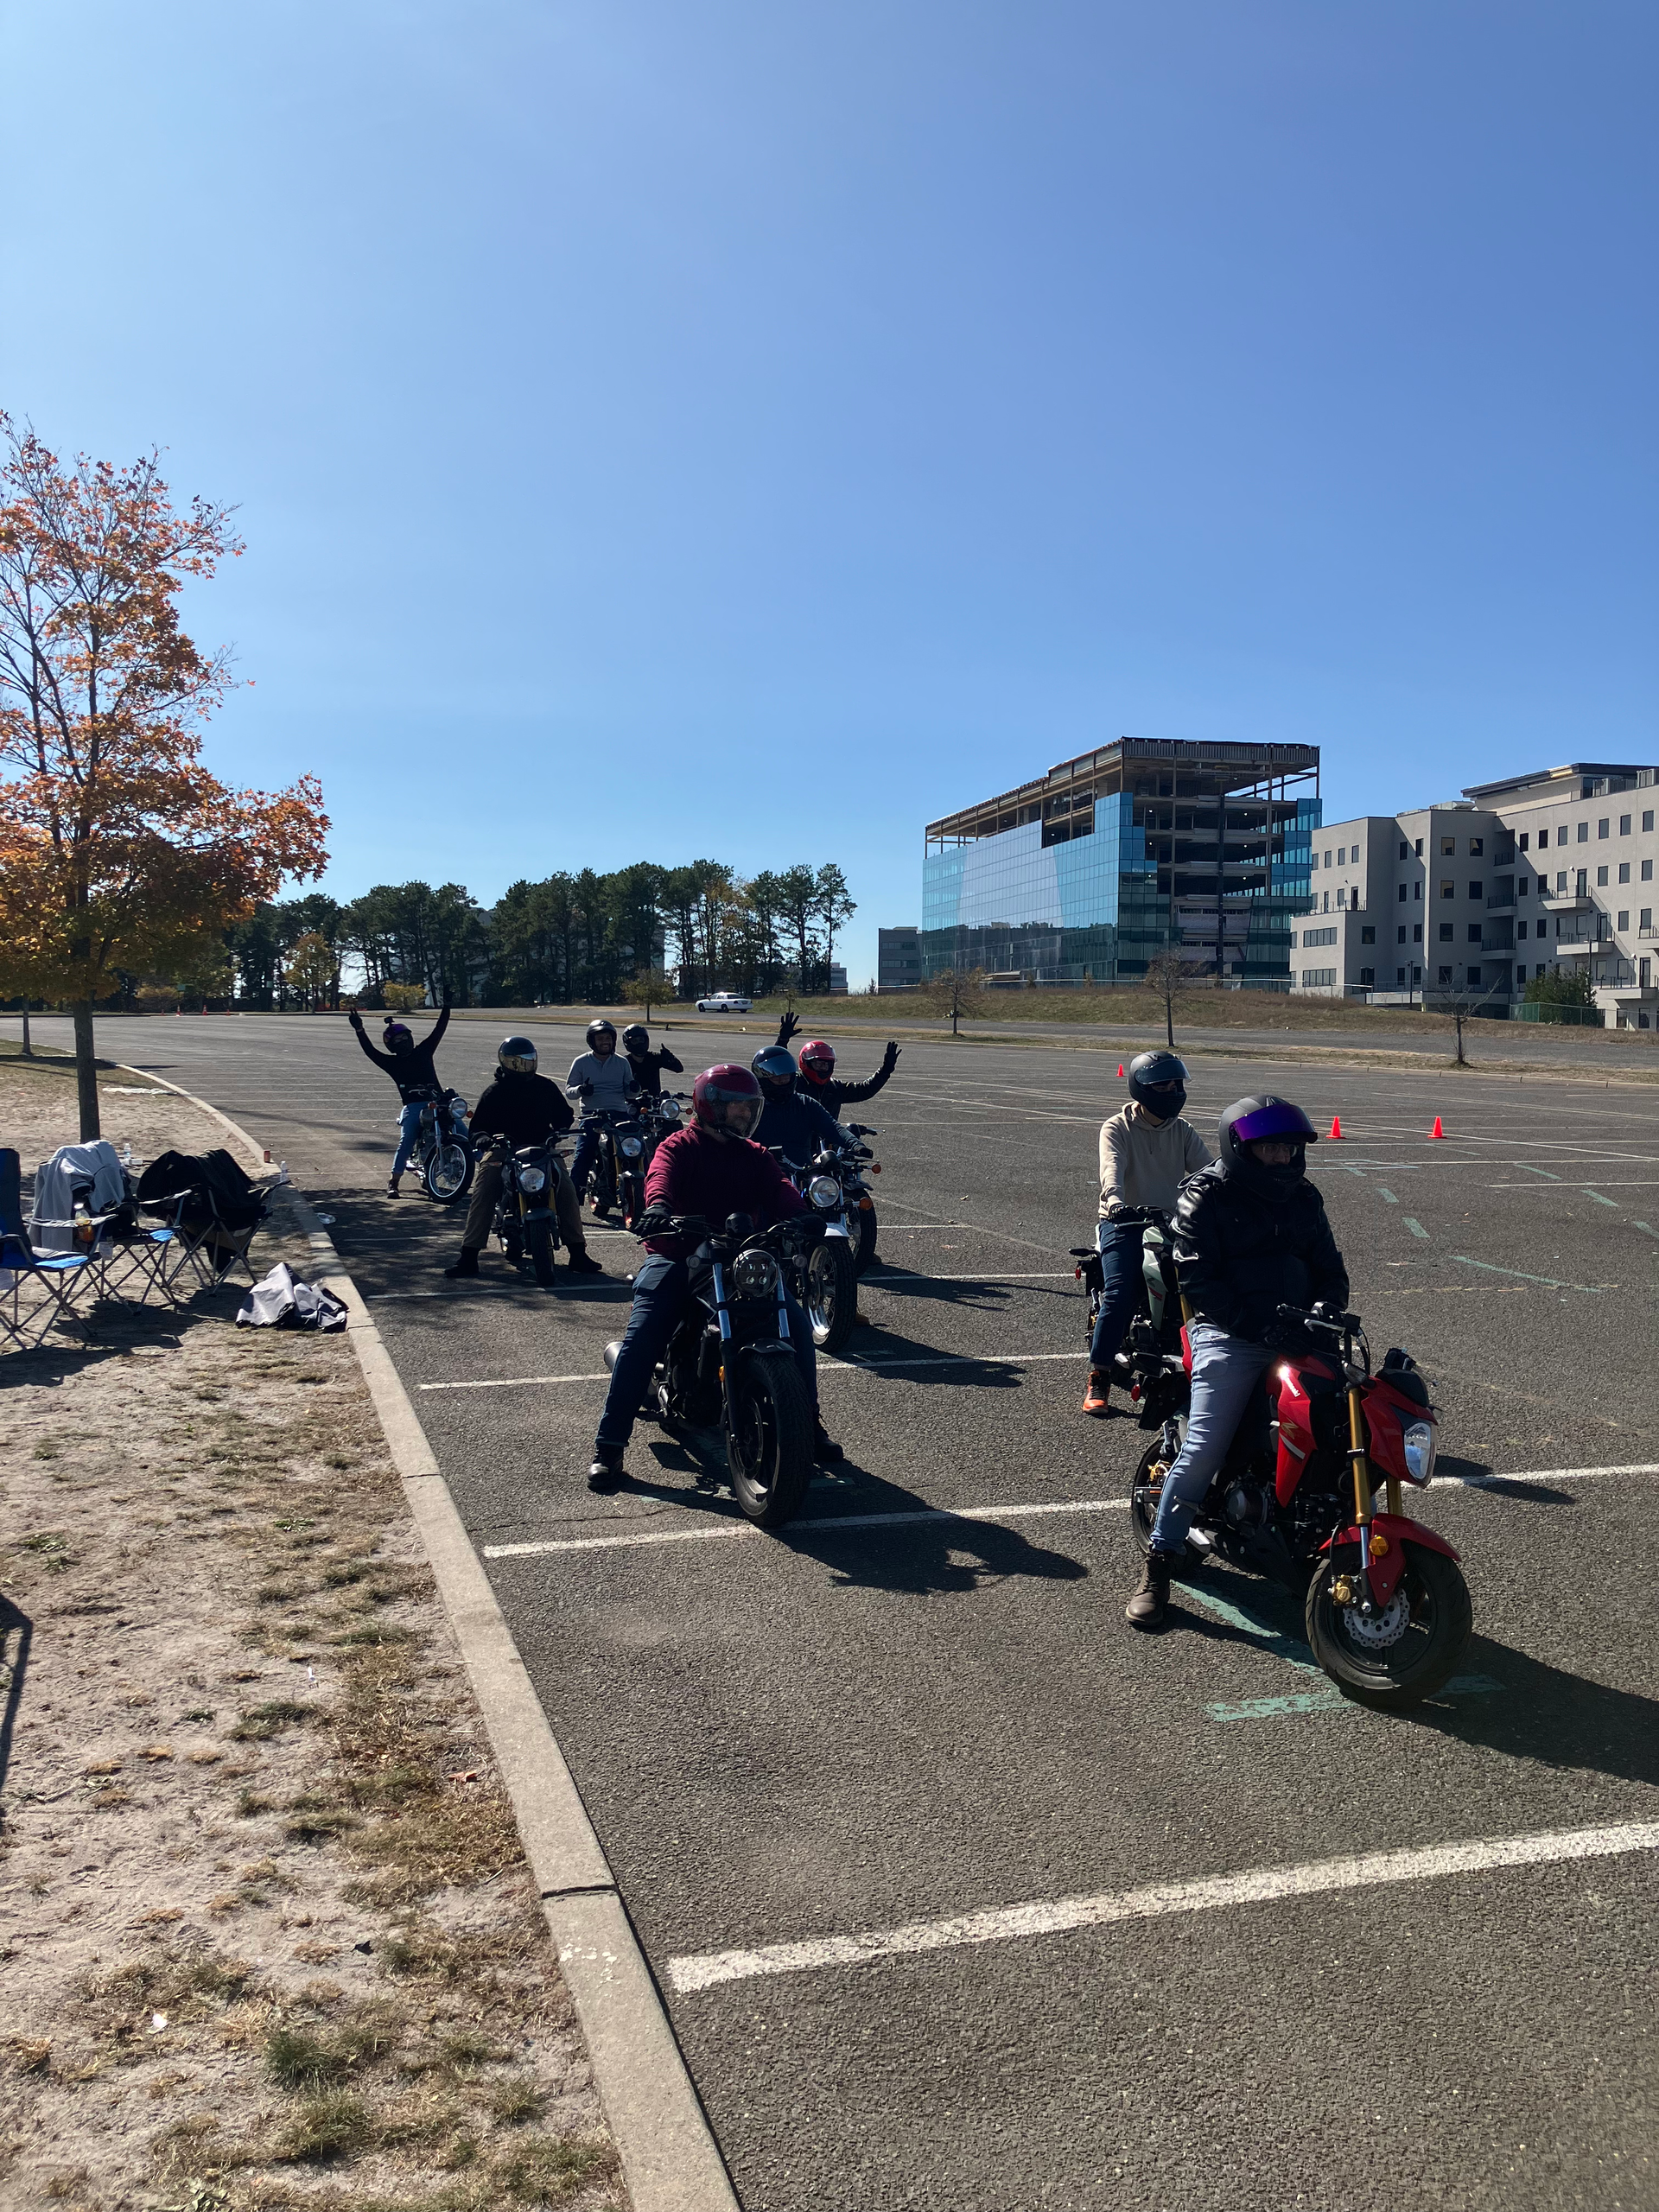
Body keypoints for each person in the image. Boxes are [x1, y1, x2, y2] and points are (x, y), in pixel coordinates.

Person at [1127, 1096, 1349, 1630]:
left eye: (1289, 1150)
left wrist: (1327, 1307)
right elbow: (1199, 1280)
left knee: (1342, 1420)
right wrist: (1256, 1326)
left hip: (1300, 1331)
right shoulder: (1205, 1194)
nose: (1281, 1159)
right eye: (1270, 1149)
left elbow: (1330, 1266)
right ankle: (1159, 1564)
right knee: (1204, 1446)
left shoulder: (1304, 1197)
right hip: (1228, 1332)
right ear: (1239, 1148)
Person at [588, 1065, 842, 1490]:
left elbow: (780, 1188)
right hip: (678, 1255)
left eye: (750, 1108)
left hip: (740, 1260)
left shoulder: (755, 1155)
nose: (746, 1117)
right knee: (643, 1336)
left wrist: (803, 1216)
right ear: (712, 1108)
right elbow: (659, 1179)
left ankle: (807, 1423)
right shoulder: (679, 1147)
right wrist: (657, 1210)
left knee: (796, 1326)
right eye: (739, 1108)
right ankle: (609, 1448)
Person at [1082, 1051, 1212, 1417]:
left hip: (1173, 1223)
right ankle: (1100, 1376)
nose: (1173, 1091)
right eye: (1163, 1085)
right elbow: (1112, 1169)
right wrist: (1117, 1201)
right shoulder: (1117, 1127)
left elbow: (1209, 1172)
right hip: (1124, 1221)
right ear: (1142, 1088)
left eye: (1177, 1084)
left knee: (1209, 1284)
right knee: (1122, 1292)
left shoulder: (1182, 1130)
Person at [442, 1037, 602, 1280]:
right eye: (518, 1062)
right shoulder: (494, 1092)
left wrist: (559, 1129)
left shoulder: (545, 1087)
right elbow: (477, 1128)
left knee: (567, 1189)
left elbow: (564, 1115)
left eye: (528, 1060)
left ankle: (577, 1253)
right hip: (503, 1150)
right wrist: (484, 1139)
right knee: (484, 1190)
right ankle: (469, 1256)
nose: (525, 1066)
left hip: (542, 1149)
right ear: (506, 1063)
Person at [348, 1001, 452, 1197]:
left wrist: (446, 1005)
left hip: (439, 1102)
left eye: (405, 1037)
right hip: (414, 1107)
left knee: (463, 1132)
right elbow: (371, 1052)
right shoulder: (391, 1063)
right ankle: (394, 1181)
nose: (402, 1041)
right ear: (391, 1046)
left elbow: (440, 1027)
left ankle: (490, 1174)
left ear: (411, 1037)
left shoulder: (424, 1051)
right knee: (406, 1141)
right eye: (397, 1040)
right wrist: (360, 1030)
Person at [775, 1011, 899, 1121]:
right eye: (818, 1063)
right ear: (806, 1062)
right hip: (796, 1140)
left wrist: (886, 1070)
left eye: (826, 1064)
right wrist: (782, 1040)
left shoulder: (835, 1088)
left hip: (828, 1142)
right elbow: (777, 1068)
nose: (823, 1067)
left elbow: (864, 1090)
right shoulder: (794, 1083)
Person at [566, 1020, 632, 1202]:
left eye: (608, 1038)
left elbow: (630, 1092)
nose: (605, 1042)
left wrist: (633, 1088)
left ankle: (644, 1192)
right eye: (601, 1038)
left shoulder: (622, 1063)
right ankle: (572, 1201)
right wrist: (581, 1090)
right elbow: (569, 1091)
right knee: (583, 1154)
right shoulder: (581, 1062)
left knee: (637, 1147)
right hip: (592, 1114)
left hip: (619, 1113)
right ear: (592, 1041)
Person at [749, 1045, 845, 1165]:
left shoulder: (805, 1103)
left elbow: (833, 1128)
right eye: (777, 1077)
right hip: (762, 1174)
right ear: (763, 1078)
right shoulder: (752, 1108)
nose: (783, 1080)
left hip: (803, 1176)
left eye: (786, 1076)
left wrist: (856, 1145)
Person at [621, 1023, 683, 1097]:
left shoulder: (654, 1058)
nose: (639, 1043)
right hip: (632, 1103)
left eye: (641, 1040)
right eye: (635, 1041)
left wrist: (670, 1058)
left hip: (654, 1103)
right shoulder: (624, 1062)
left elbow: (679, 1069)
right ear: (628, 1043)